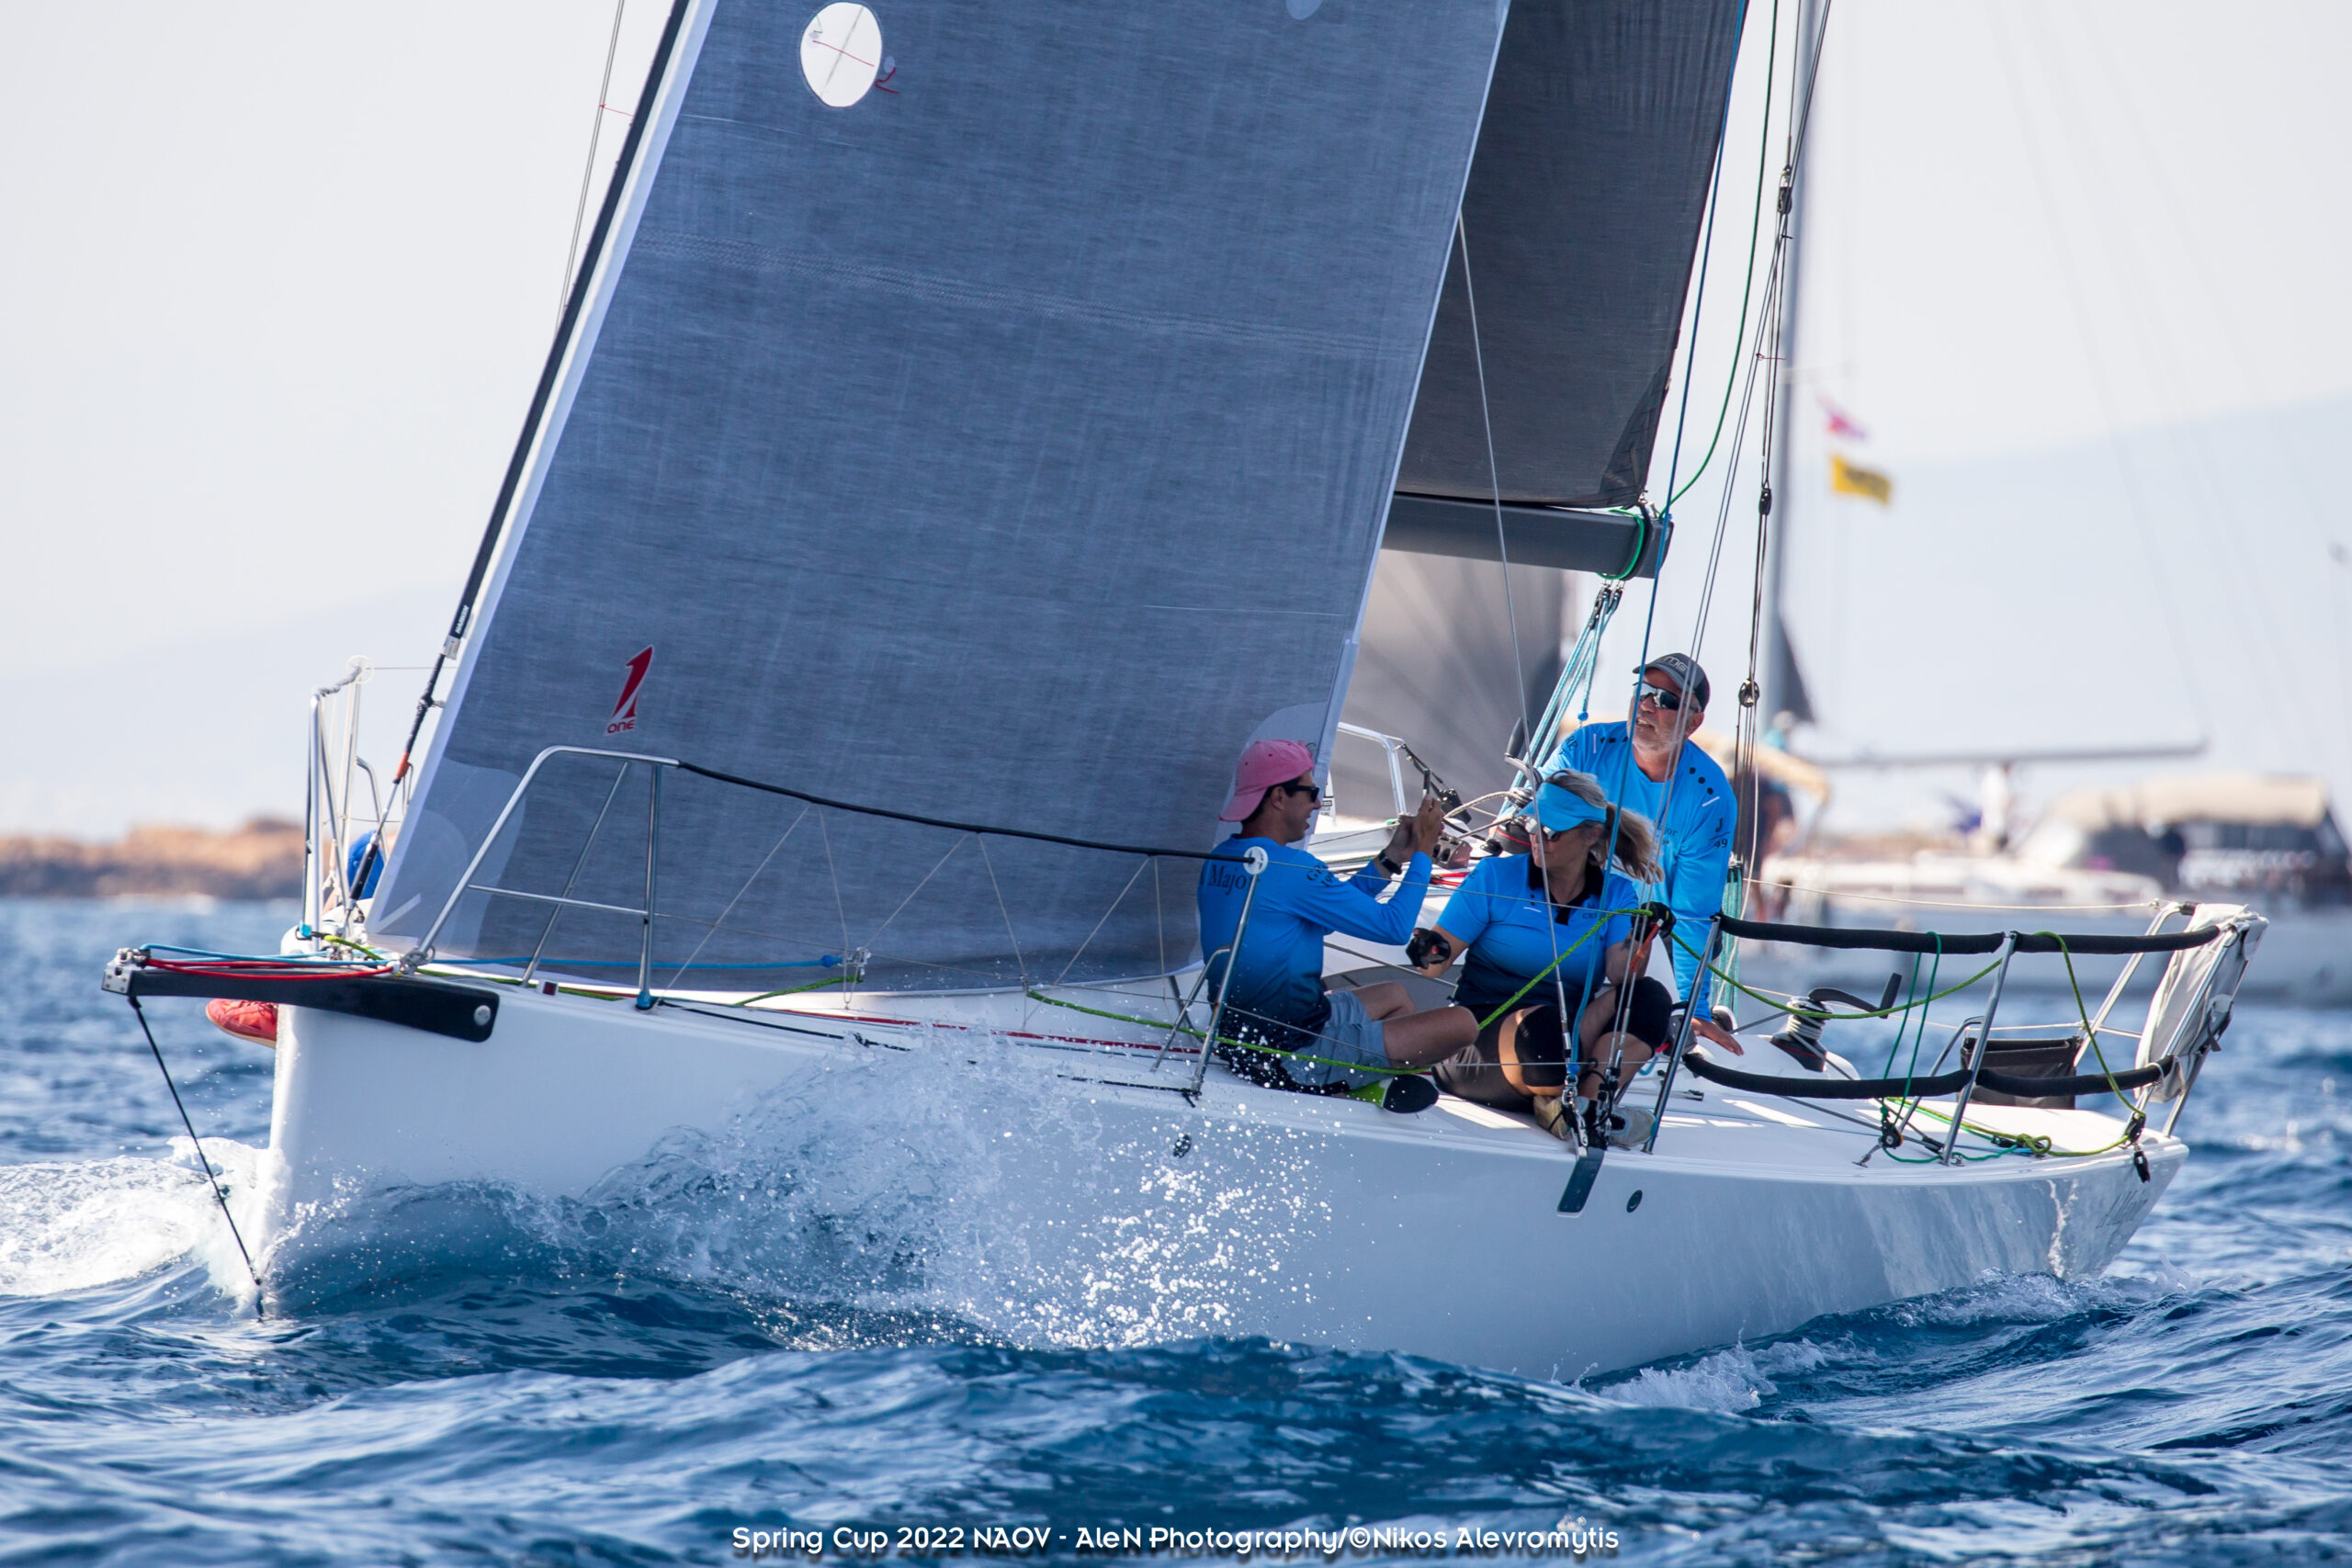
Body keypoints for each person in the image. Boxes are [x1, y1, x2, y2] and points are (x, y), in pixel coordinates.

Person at [1410, 772, 1705, 1136]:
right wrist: (1426, 949)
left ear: (1591, 835)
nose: (1537, 838)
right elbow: (1434, 965)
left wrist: (1642, 937)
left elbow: (1622, 976)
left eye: (1552, 832)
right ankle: (1573, 1109)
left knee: (1648, 997)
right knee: (1547, 1036)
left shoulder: (1615, 894)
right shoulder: (1494, 876)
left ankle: (1588, 1109)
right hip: (1483, 1044)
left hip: (1565, 1044)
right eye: (1533, 824)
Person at [1196, 739, 1476, 1094]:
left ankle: (1369, 1074)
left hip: (1242, 1040)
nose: (1316, 803)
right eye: (1311, 792)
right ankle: (1349, 1077)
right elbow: (1394, 928)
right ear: (1279, 797)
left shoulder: (1223, 858)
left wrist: (1391, 858)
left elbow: (1325, 917)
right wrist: (1422, 851)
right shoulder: (1290, 867)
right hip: (1292, 1054)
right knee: (1462, 1024)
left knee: (1395, 993)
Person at [1546, 653, 1740, 1051]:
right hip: (1569, 912)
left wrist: (1692, 1009)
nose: (1648, 705)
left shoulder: (1708, 798)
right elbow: (1533, 820)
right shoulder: (1588, 747)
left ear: (1693, 722)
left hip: (1647, 933)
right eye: (1643, 692)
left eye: (1666, 700)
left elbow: (1692, 914)